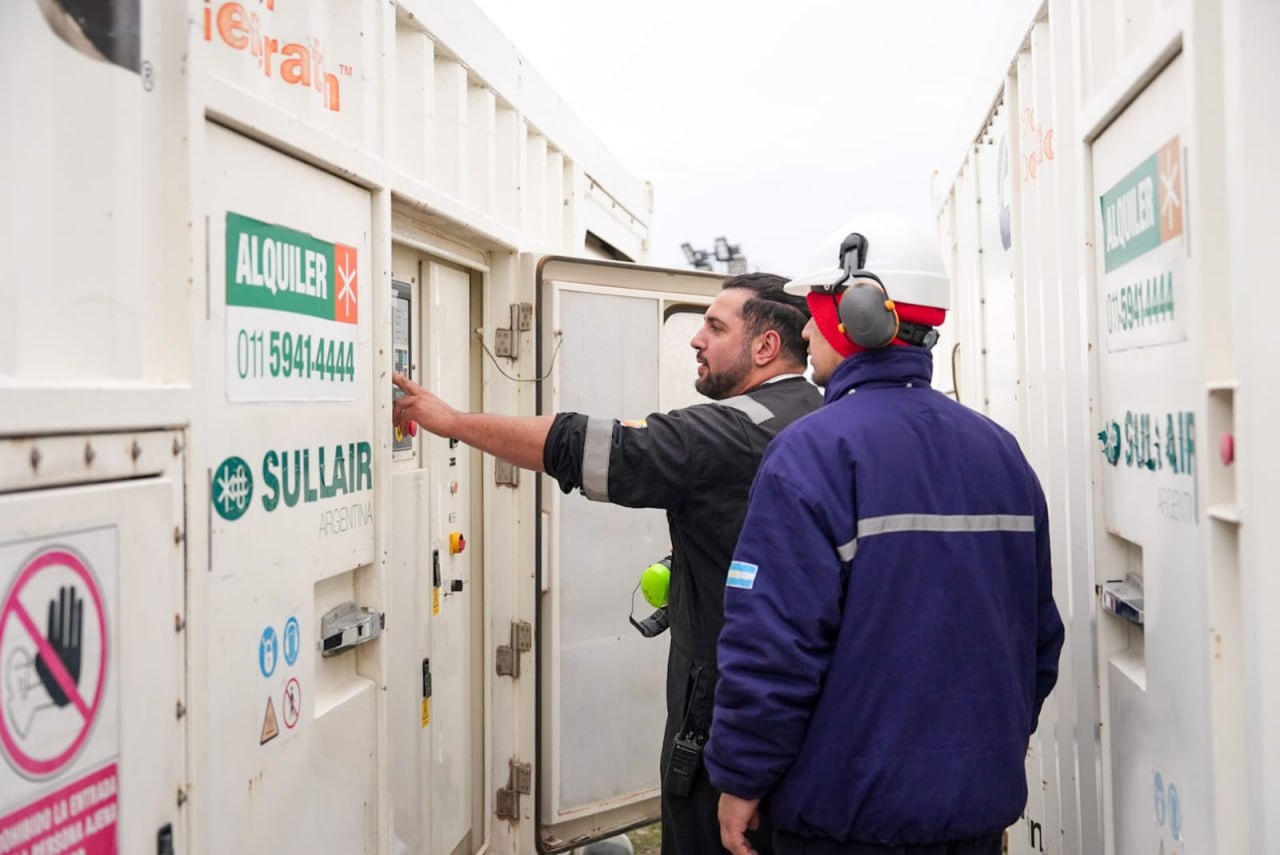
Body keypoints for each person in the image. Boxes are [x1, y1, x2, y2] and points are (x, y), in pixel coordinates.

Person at [392, 272, 822, 855]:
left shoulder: (730, 430)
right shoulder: (818, 419)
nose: (696, 340)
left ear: (766, 347)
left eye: (715, 327)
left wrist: (454, 423)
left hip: (727, 714)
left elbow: (589, 447)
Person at [704, 215, 1065, 855]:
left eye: (815, 309)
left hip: (844, 824)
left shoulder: (809, 453)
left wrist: (740, 779)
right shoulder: (1000, 452)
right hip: (976, 818)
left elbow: (773, 648)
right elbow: (1038, 638)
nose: (808, 328)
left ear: (860, 314)